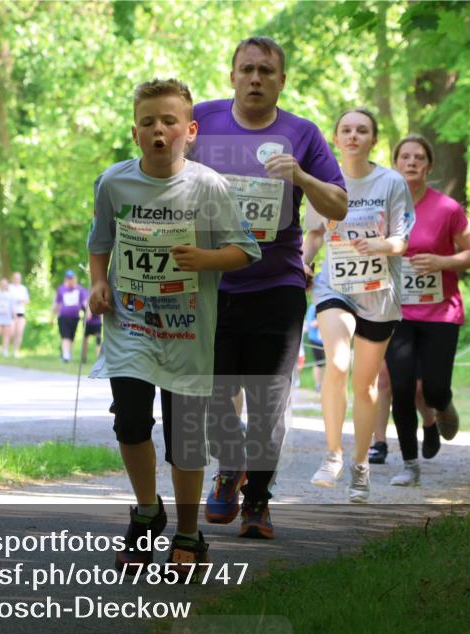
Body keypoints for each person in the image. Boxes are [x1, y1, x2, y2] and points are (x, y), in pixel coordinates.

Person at [88, 78, 259, 574]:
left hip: (186, 331)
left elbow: (245, 249)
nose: (159, 130)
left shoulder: (207, 186)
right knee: (131, 420)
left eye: (168, 121)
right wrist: (100, 283)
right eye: (148, 123)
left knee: (186, 437)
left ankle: (189, 531)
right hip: (131, 326)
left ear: (190, 129)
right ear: (135, 132)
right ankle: (146, 511)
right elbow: (100, 242)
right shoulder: (113, 183)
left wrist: (205, 257)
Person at [194, 36, 347, 536]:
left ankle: (257, 499)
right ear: (232, 75)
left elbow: (339, 206)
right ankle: (230, 465)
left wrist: (300, 176)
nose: (255, 78)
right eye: (247, 70)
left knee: (267, 401)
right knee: (210, 394)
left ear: (282, 80)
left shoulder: (301, 133)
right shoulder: (202, 121)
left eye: (266, 71)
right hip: (211, 282)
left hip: (277, 285)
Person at [302, 108, 412, 498]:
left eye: (362, 130)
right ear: (336, 138)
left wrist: (380, 245)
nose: (353, 136)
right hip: (336, 287)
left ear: (373, 140)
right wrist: (303, 260)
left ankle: (360, 464)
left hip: (379, 293)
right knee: (336, 361)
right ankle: (332, 454)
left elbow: (402, 240)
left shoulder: (391, 182)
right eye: (346, 130)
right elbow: (314, 233)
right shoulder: (323, 183)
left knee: (364, 386)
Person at [384, 135, 470, 486]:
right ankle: (409, 464)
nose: (411, 162)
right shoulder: (384, 205)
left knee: (435, 389)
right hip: (397, 313)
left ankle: (442, 408)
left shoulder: (447, 209)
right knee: (401, 386)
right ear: (395, 163)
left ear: (428, 165)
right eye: (405, 157)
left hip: (441, 312)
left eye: (419, 157)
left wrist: (443, 261)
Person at [54, 270, 87, 363]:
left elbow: (84, 301)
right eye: (68, 278)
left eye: (72, 278)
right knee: (65, 335)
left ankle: (68, 353)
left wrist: (88, 312)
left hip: (75, 317)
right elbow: (57, 303)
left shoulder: (79, 289)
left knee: (71, 336)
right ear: (66, 279)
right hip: (63, 316)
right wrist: (52, 315)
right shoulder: (61, 289)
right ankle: (65, 355)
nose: (70, 280)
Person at [9, 272, 30, 357]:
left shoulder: (23, 288)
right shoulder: (10, 287)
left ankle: (16, 350)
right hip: (11, 313)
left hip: (21, 312)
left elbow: (27, 300)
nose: (17, 280)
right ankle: (9, 347)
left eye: (18, 278)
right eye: (15, 278)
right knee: (11, 332)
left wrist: (20, 301)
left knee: (19, 332)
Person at [303, 303, 324, 393]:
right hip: (315, 339)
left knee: (329, 362)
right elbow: (308, 324)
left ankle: (325, 384)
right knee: (318, 362)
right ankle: (318, 385)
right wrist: (318, 322)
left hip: (327, 339)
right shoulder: (313, 307)